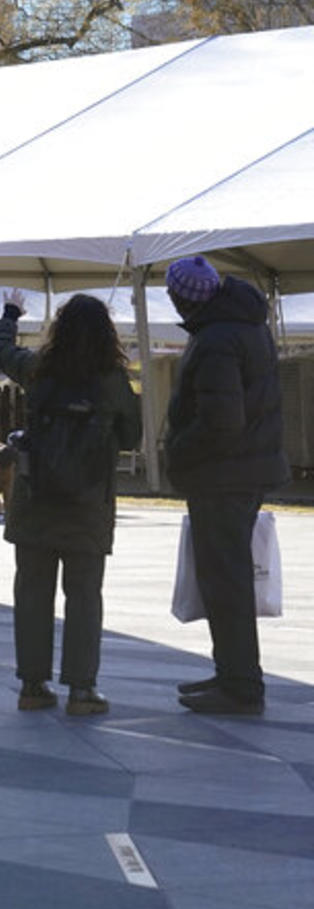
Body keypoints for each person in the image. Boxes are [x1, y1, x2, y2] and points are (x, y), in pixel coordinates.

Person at [0, 291, 139, 716]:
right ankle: (82, 690)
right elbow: (130, 438)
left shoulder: (39, 370)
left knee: (33, 594)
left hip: (36, 499)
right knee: (85, 596)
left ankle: (33, 687)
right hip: (89, 505)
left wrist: (10, 314)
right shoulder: (112, 381)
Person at [162, 255, 286, 716]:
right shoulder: (245, 325)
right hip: (244, 471)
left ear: (184, 297)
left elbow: (221, 421)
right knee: (226, 577)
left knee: (226, 580)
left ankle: (240, 684)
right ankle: (233, 673)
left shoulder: (216, 339)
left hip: (224, 475)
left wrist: (177, 451)